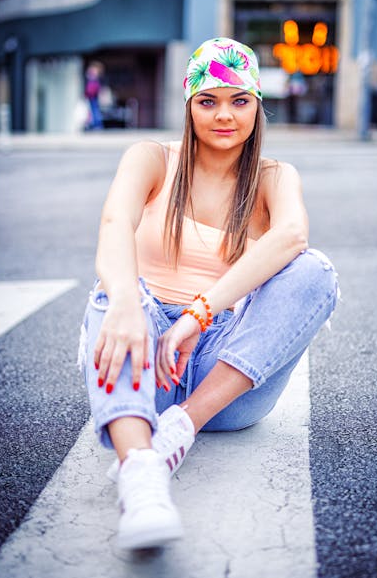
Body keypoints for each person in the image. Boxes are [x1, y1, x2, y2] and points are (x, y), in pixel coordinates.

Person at [77, 37, 339, 550]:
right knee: (112, 293)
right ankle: (141, 473)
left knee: (316, 271)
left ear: (258, 105)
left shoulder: (273, 177)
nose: (225, 115)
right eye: (208, 100)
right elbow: (113, 225)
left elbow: (292, 237)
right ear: (189, 105)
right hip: (145, 354)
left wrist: (198, 316)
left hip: (224, 382)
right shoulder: (151, 158)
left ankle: (177, 431)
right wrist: (129, 304)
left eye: (239, 100)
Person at [84, 61, 104, 130]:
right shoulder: (94, 79)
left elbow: (93, 88)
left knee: (94, 110)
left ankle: (97, 124)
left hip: (93, 96)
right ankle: (94, 124)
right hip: (91, 96)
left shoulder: (94, 79)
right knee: (92, 110)